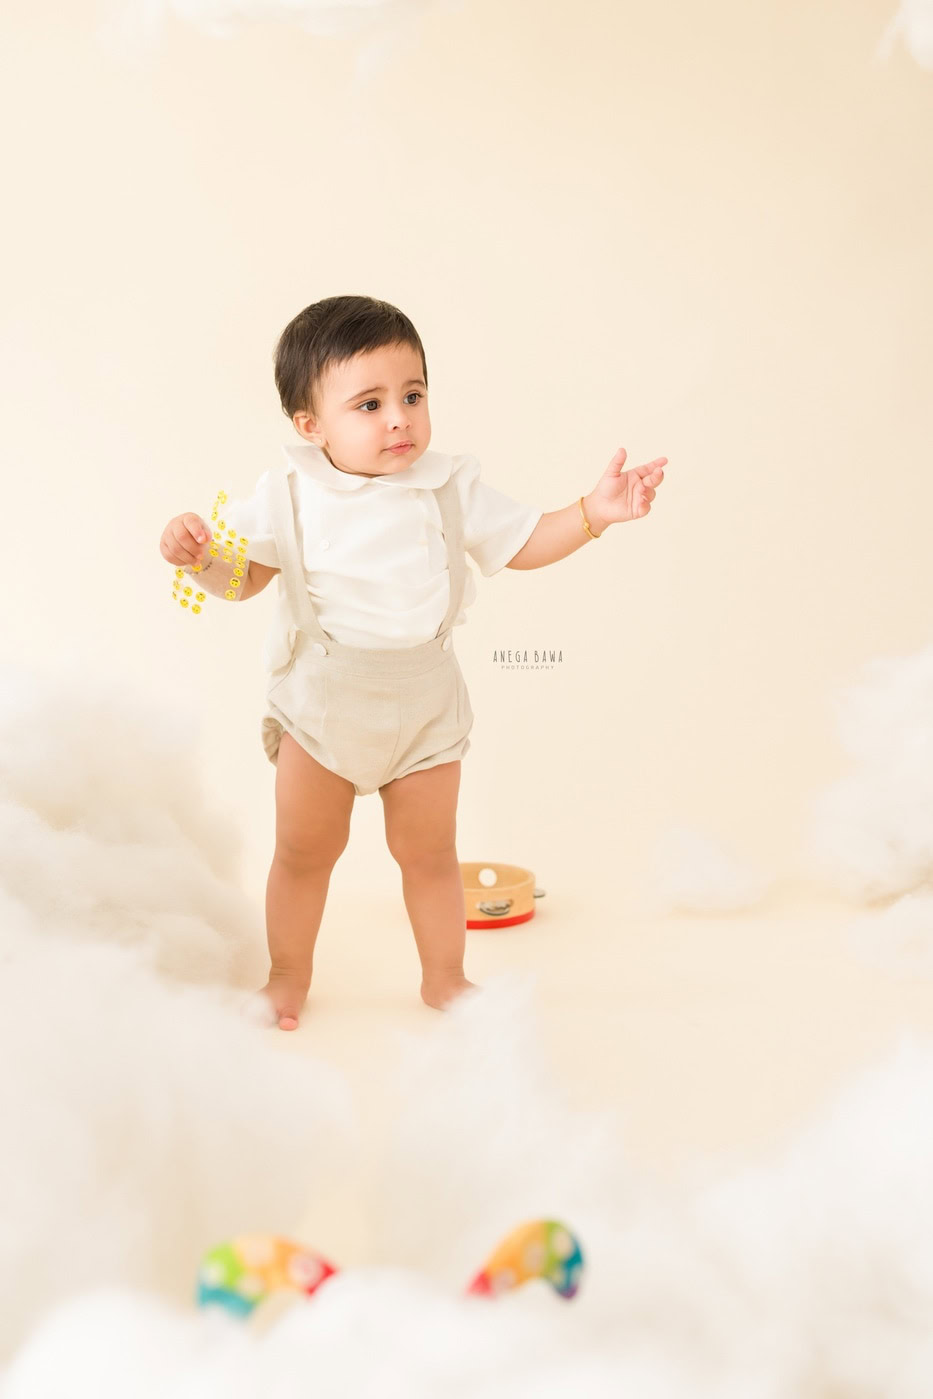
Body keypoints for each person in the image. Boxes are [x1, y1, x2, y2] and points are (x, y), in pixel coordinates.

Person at [159, 295, 667, 1030]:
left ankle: (445, 977)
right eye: (368, 403)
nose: (398, 417)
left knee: (429, 854)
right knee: (304, 851)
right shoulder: (288, 493)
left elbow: (521, 541)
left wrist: (592, 512)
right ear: (311, 426)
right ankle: (287, 973)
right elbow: (242, 579)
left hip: (424, 707)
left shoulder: (447, 483)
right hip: (322, 705)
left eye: (412, 395)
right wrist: (201, 556)